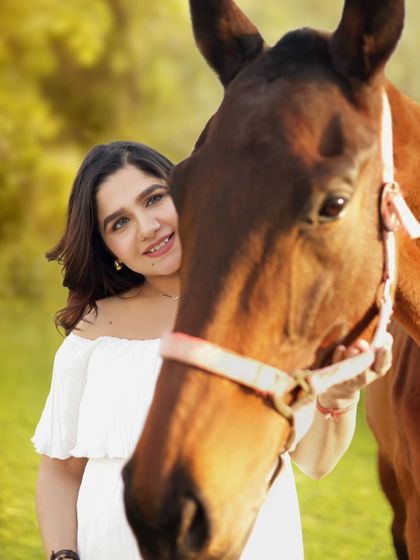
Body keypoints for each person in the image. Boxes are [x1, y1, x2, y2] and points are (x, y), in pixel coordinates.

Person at [32, 141, 392, 560]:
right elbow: (60, 471)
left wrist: (339, 397)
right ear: (106, 248)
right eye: (119, 223)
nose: (147, 226)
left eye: (154, 199)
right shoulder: (93, 332)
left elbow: (316, 460)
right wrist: (63, 557)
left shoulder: (265, 304)